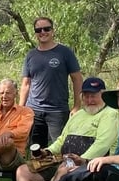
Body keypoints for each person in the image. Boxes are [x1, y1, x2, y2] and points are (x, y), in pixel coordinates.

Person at [0, 77, 119, 181]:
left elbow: (103, 145)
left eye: (94, 95)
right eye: (86, 96)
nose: (90, 100)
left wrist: (82, 159)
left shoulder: (110, 114)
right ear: (81, 96)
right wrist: (47, 152)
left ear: (103, 94)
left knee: (64, 169)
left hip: (89, 164)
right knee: (24, 170)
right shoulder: (78, 115)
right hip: (61, 159)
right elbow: (62, 140)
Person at [20, 17, 83, 148]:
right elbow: (26, 84)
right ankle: (38, 169)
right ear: (35, 33)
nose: (42, 32)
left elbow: (77, 79)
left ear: (53, 31)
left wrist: (77, 105)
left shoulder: (64, 52)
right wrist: (20, 108)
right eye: (38, 30)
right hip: (34, 110)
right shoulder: (31, 55)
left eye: (46, 29)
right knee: (36, 149)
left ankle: (59, 169)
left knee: (60, 148)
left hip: (57, 111)